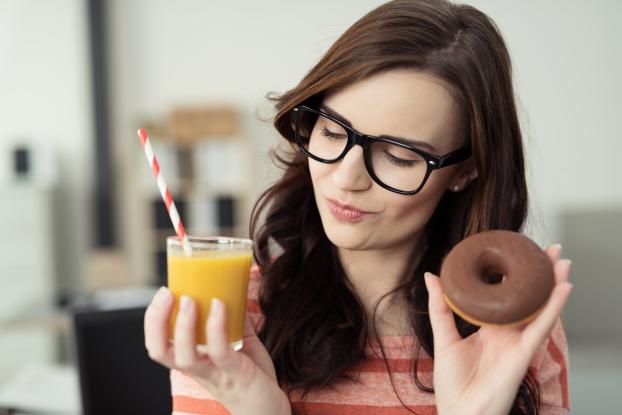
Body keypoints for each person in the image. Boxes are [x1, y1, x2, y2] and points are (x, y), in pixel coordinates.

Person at [144, 0, 573, 414]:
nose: (347, 178)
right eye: (332, 132)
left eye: (399, 156)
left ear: (465, 171)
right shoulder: (232, 315)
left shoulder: (511, 331)